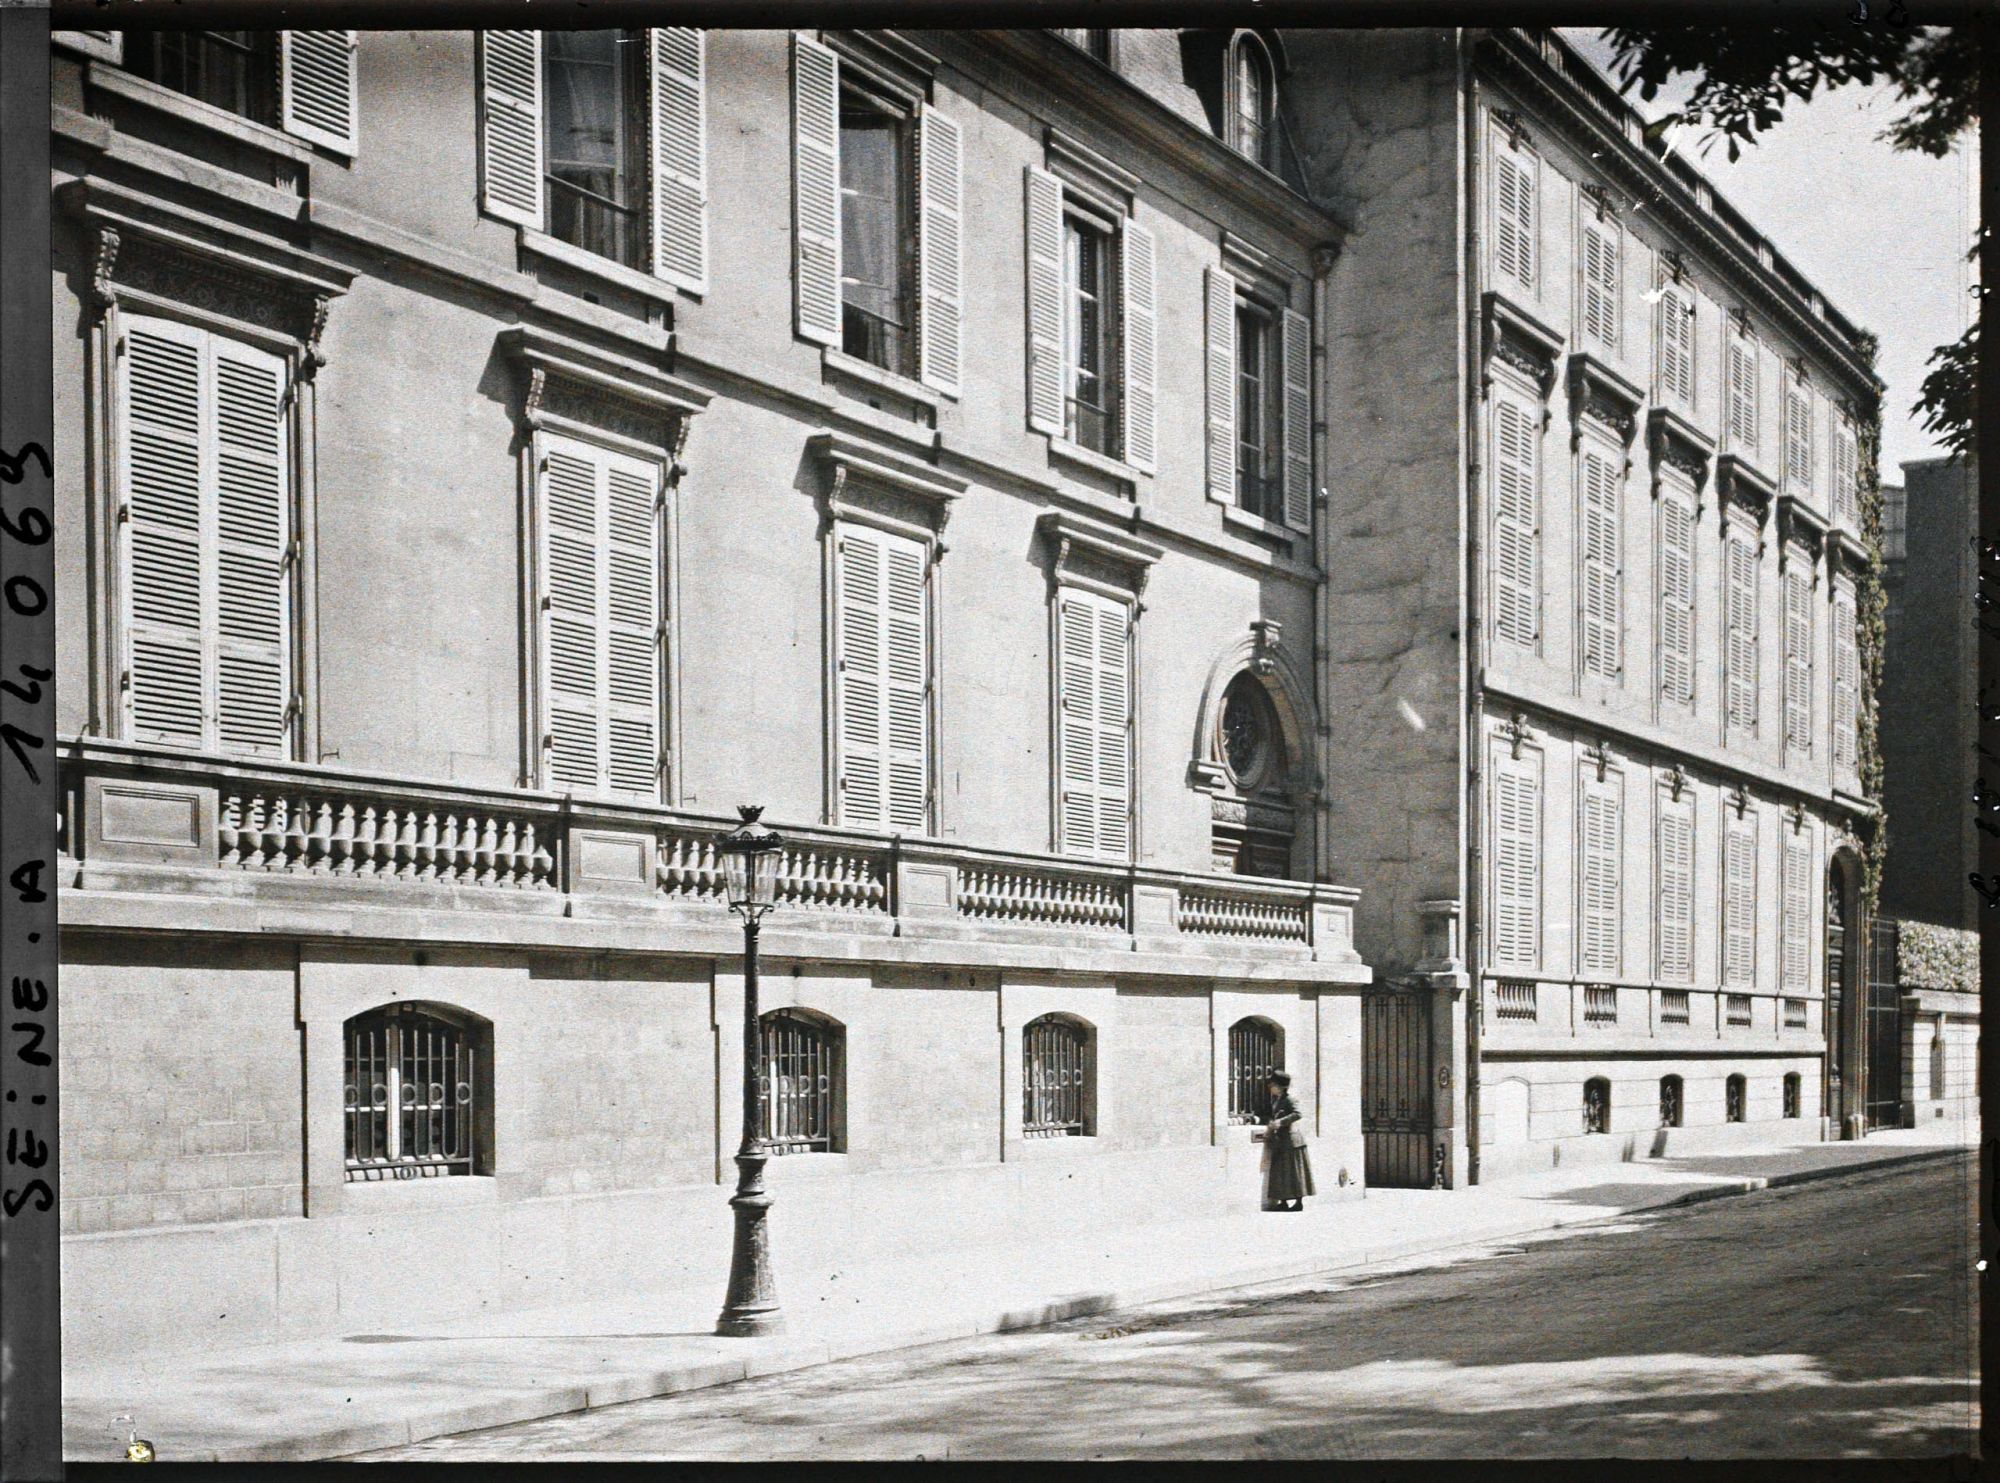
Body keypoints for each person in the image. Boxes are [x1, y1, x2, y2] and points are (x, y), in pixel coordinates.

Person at [1260, 1071, 1314, 1212]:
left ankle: (1298, 1201)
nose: (1271, 1087)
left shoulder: (1289, 1099)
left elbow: (1298, 1114)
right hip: (1281, 1141)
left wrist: (1280, 1122)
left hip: (1292, 1141)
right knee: (1281, 1172)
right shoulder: (1276, 1100)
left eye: (1273, 1084)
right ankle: (1283, 1201)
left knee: (1295, 1172)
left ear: (1280, 1086)